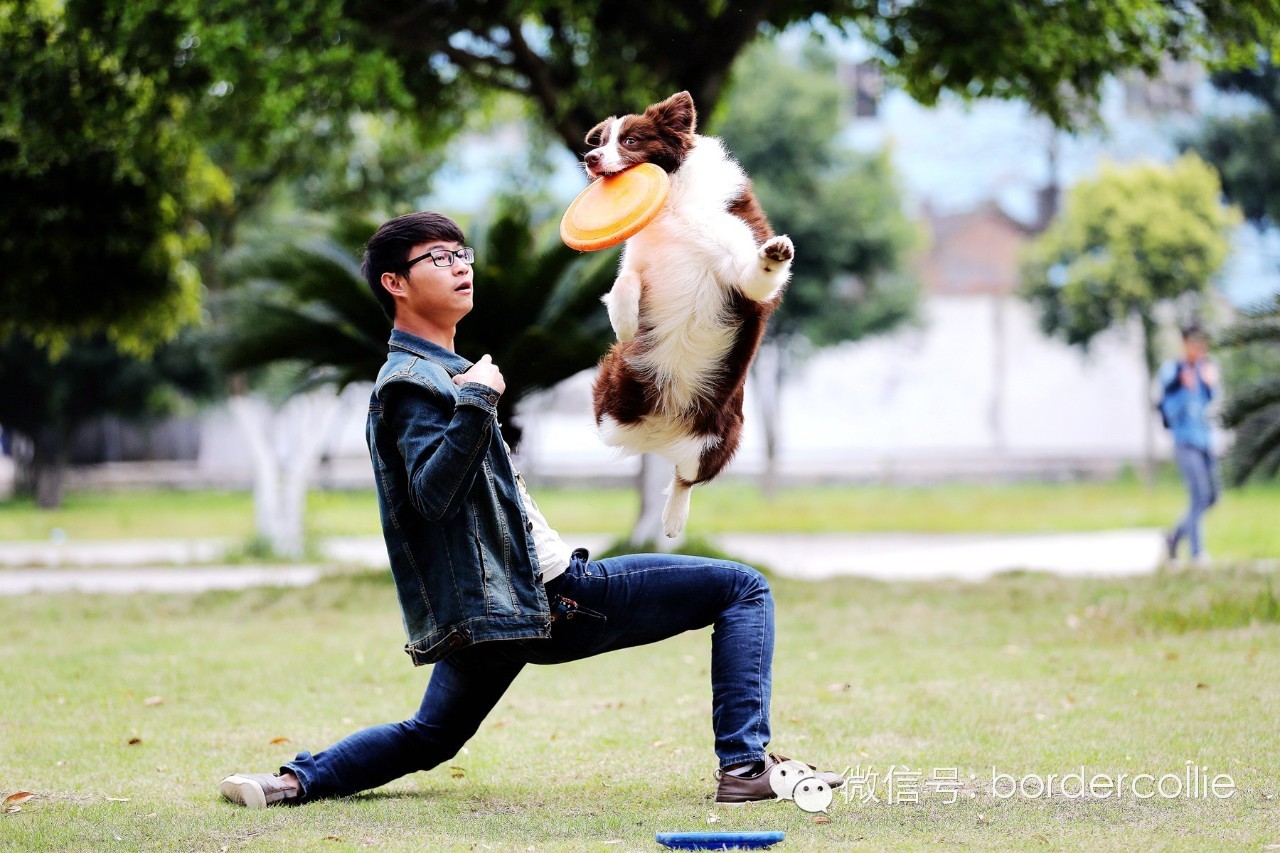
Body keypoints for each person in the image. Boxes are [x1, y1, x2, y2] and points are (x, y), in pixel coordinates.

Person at [218, 211, 843, 809]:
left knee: (431, 736)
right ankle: (744, 768)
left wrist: (473, 395)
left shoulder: (439, 369)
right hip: (545, 594)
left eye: (462, 253)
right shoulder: (413, 381)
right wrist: (476, 402)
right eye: (438, 258)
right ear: (395, 283)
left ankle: (285, 785)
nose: (461, 266)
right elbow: (432, 496)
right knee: (743, 589)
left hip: (494, 607)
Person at [1158, 322, 1220, 563]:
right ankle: (1196, 553)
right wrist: (1184, 388)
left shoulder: (1206, 368)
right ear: (1185, 343)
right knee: (1198, 495)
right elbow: (1168, 411)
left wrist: (1210, 385)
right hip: (1185, 441)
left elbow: (1210, 404)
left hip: (1205, 441)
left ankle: (1174, 537)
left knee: (1212, 497)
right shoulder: (1173, 371)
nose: (1200, 348)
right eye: (1196, 342)